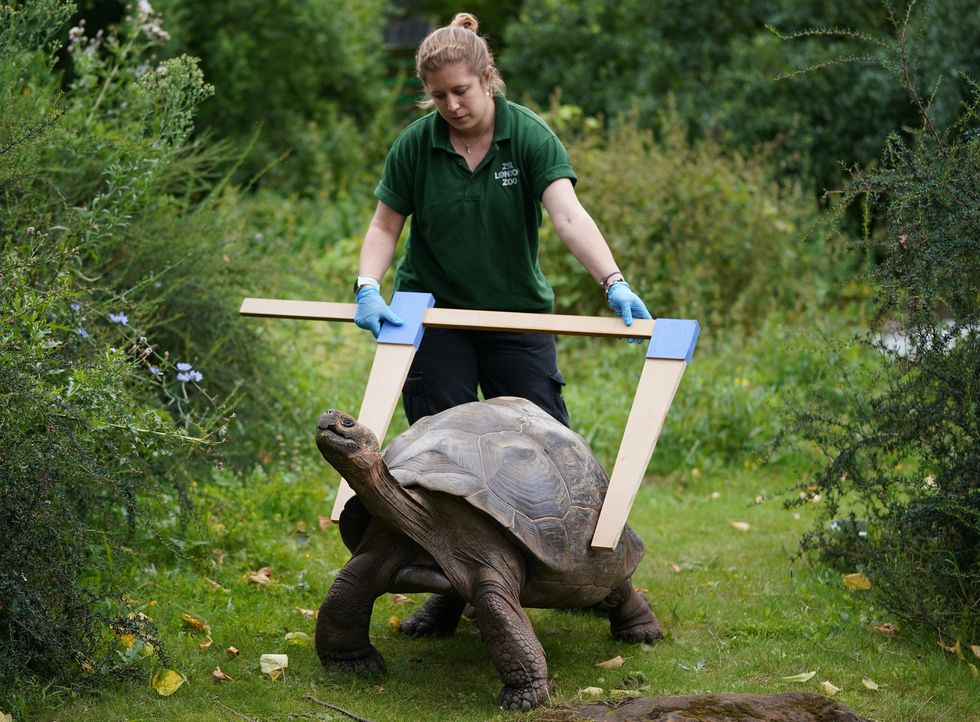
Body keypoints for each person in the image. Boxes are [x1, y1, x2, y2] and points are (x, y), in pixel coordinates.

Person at [353, 12, 650, 427]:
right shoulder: (415, 145)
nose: (452, 106)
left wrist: (613, 281)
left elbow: (568, 216)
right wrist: (367, 287)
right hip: (433, 314)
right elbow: (385, 226)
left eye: (461, 91)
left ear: (487, 77)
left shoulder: (530, 136)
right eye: (439, 96)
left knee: (539, 441)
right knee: (440, 446)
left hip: (515, 312)